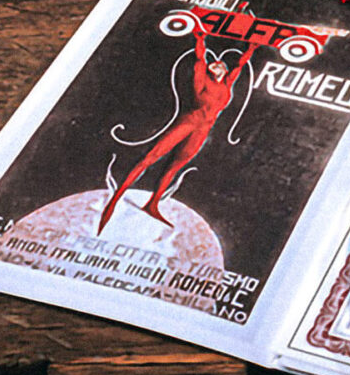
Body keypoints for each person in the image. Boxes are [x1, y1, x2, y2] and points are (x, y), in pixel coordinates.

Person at [99, 25, 257, 232]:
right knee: (151, 157)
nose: (216, 63)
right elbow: (200, 59)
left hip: (203, 129)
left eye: (220, 64)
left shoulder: (227, 84)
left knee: (177, 165)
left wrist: (251, 49)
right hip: (188, 122)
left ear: (224, 70)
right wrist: (200, 39)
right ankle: (114, 200)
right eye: (213, 63)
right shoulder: (202, 79)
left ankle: (153, 204)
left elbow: (240, 65)